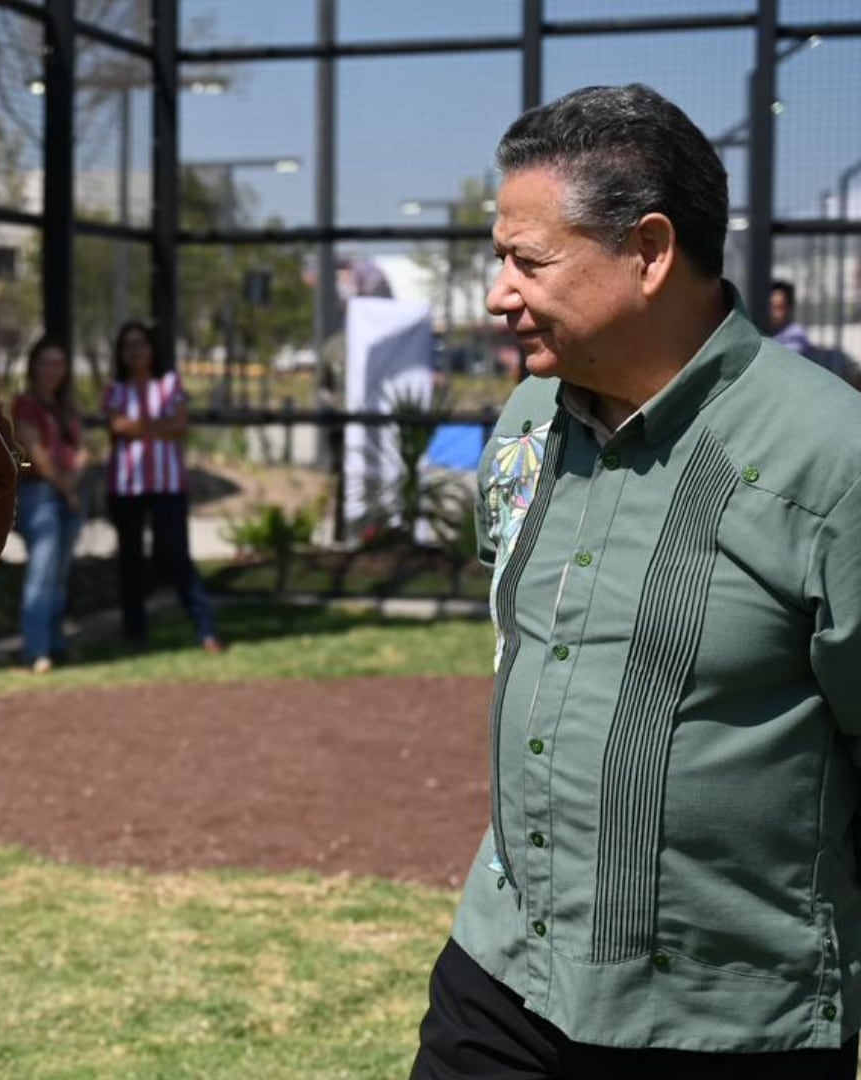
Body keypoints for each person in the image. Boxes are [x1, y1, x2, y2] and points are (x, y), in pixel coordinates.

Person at [411, 84, 861, 1079]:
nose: (497, 293)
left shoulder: (834, 460)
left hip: (723, 1020)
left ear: (650, 252)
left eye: (528, 261)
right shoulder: (523, 424)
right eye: (499, 258)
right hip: (500, 974)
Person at [103, 320, 222, 653]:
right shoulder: (115, 389)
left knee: (177, 555)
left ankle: (205, 629)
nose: (135, 351)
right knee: (131, 561)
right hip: (126, 487)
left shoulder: (170, 384)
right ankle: (135, 634)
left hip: (168, 485)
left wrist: (139, 428)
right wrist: (158, 426)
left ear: (152, 348)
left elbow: (179, 425)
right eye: (128, 345)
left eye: (140, 343)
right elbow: (117, 426)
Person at [12, 334, 85, 673]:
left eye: (59, 363)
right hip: (39, 495)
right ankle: (36, 649)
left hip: (70, 494)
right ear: (34, 367)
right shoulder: (25, 404)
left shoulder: (66, 407)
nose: (52, 370)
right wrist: (66, 487)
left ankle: (56, 644)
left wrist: (73, 482)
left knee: (59, 575)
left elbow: (82, 449)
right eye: (46, 362)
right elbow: (35, 452)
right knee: (41, 574)